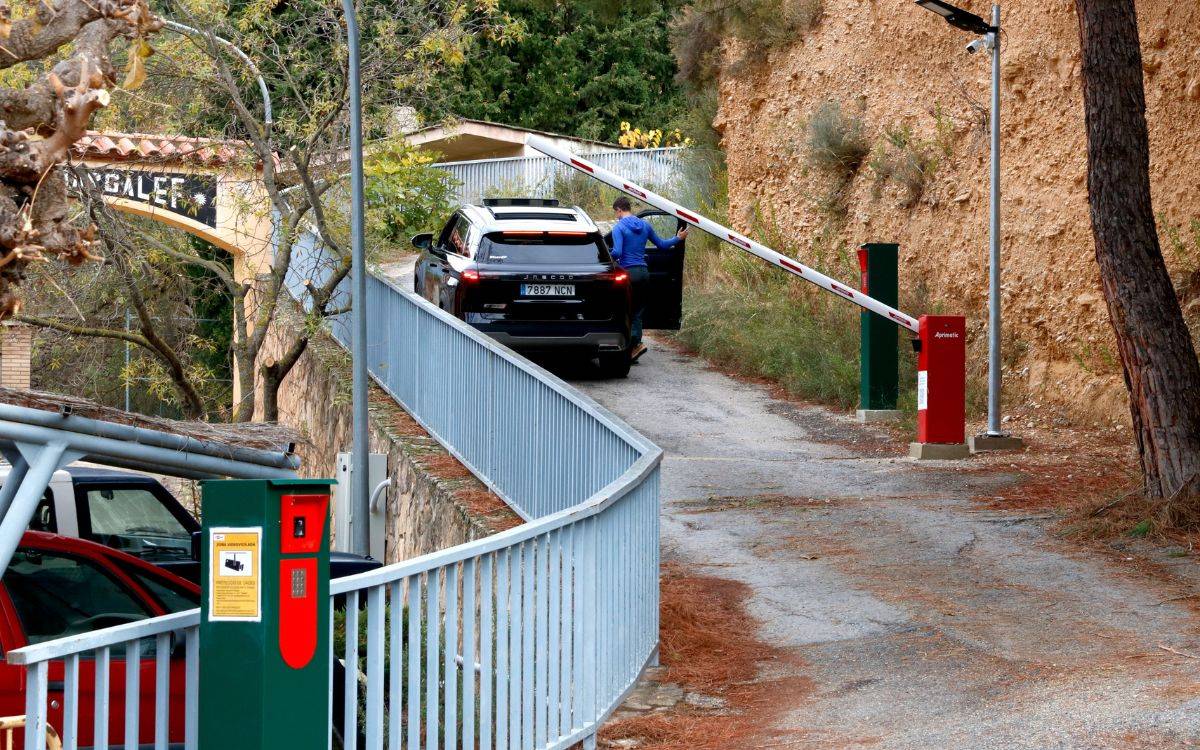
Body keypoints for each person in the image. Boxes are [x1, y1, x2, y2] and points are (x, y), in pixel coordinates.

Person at [610, 197, 688, 362]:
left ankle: (633, 346)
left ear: (618, 210)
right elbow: (662, 245)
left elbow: (616, 252)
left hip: (628, 273)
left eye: (616, 213)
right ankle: (634, 348)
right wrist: (678, 238)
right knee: (637, 311)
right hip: (644, 273)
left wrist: (604, 254)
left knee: (626, 311)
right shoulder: (645, 225)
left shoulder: (619, 228)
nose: (616, 216)